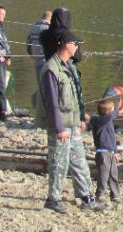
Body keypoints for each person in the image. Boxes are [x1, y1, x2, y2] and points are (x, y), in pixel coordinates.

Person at [35, 31, 101, 213]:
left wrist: (80, 117)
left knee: (79, 161)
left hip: (72, 124)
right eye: (75, 43)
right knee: (59, 162)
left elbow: (74, 96)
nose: (77, 47)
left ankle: (87, 197)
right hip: (60, 126)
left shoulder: (69, 67)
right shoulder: (51, 69)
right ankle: (53, 198)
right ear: (65, 44)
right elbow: (51, 102)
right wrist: (59, 127)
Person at [90, 99, 122, 204]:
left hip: (111, 152)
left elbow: (112, 138)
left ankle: (115, 195)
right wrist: (118, 110)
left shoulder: (109, 122)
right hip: (102, 153)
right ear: (108, 112)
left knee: (114, 174)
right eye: (112, 110)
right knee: (103, 175)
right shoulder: (98, 121)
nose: (114, 113)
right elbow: (109, 117)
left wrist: (116, 152)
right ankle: (99, 195)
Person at [27, 10, 53, 79]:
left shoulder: (31, 29)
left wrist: (33, 56)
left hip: (37, 62)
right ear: (51, 19)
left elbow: (28, 47)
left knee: (41, 86)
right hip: (49, 62)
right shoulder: (50, 29)